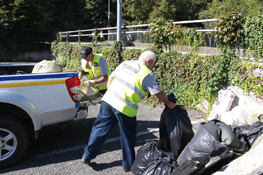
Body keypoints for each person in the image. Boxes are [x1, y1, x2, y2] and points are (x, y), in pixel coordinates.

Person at [81, 50, 176, 172]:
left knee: (99, 129)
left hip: (108, 101)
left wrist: (110, 92)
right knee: (127, 135)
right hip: (125, 108)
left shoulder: (126, 63)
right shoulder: (146, 73)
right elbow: (158, 93)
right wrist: (169, 103)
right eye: (153, 63)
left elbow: (110, 77)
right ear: (148, 61)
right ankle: (127, 164)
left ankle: (87, 155)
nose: (153, 66)